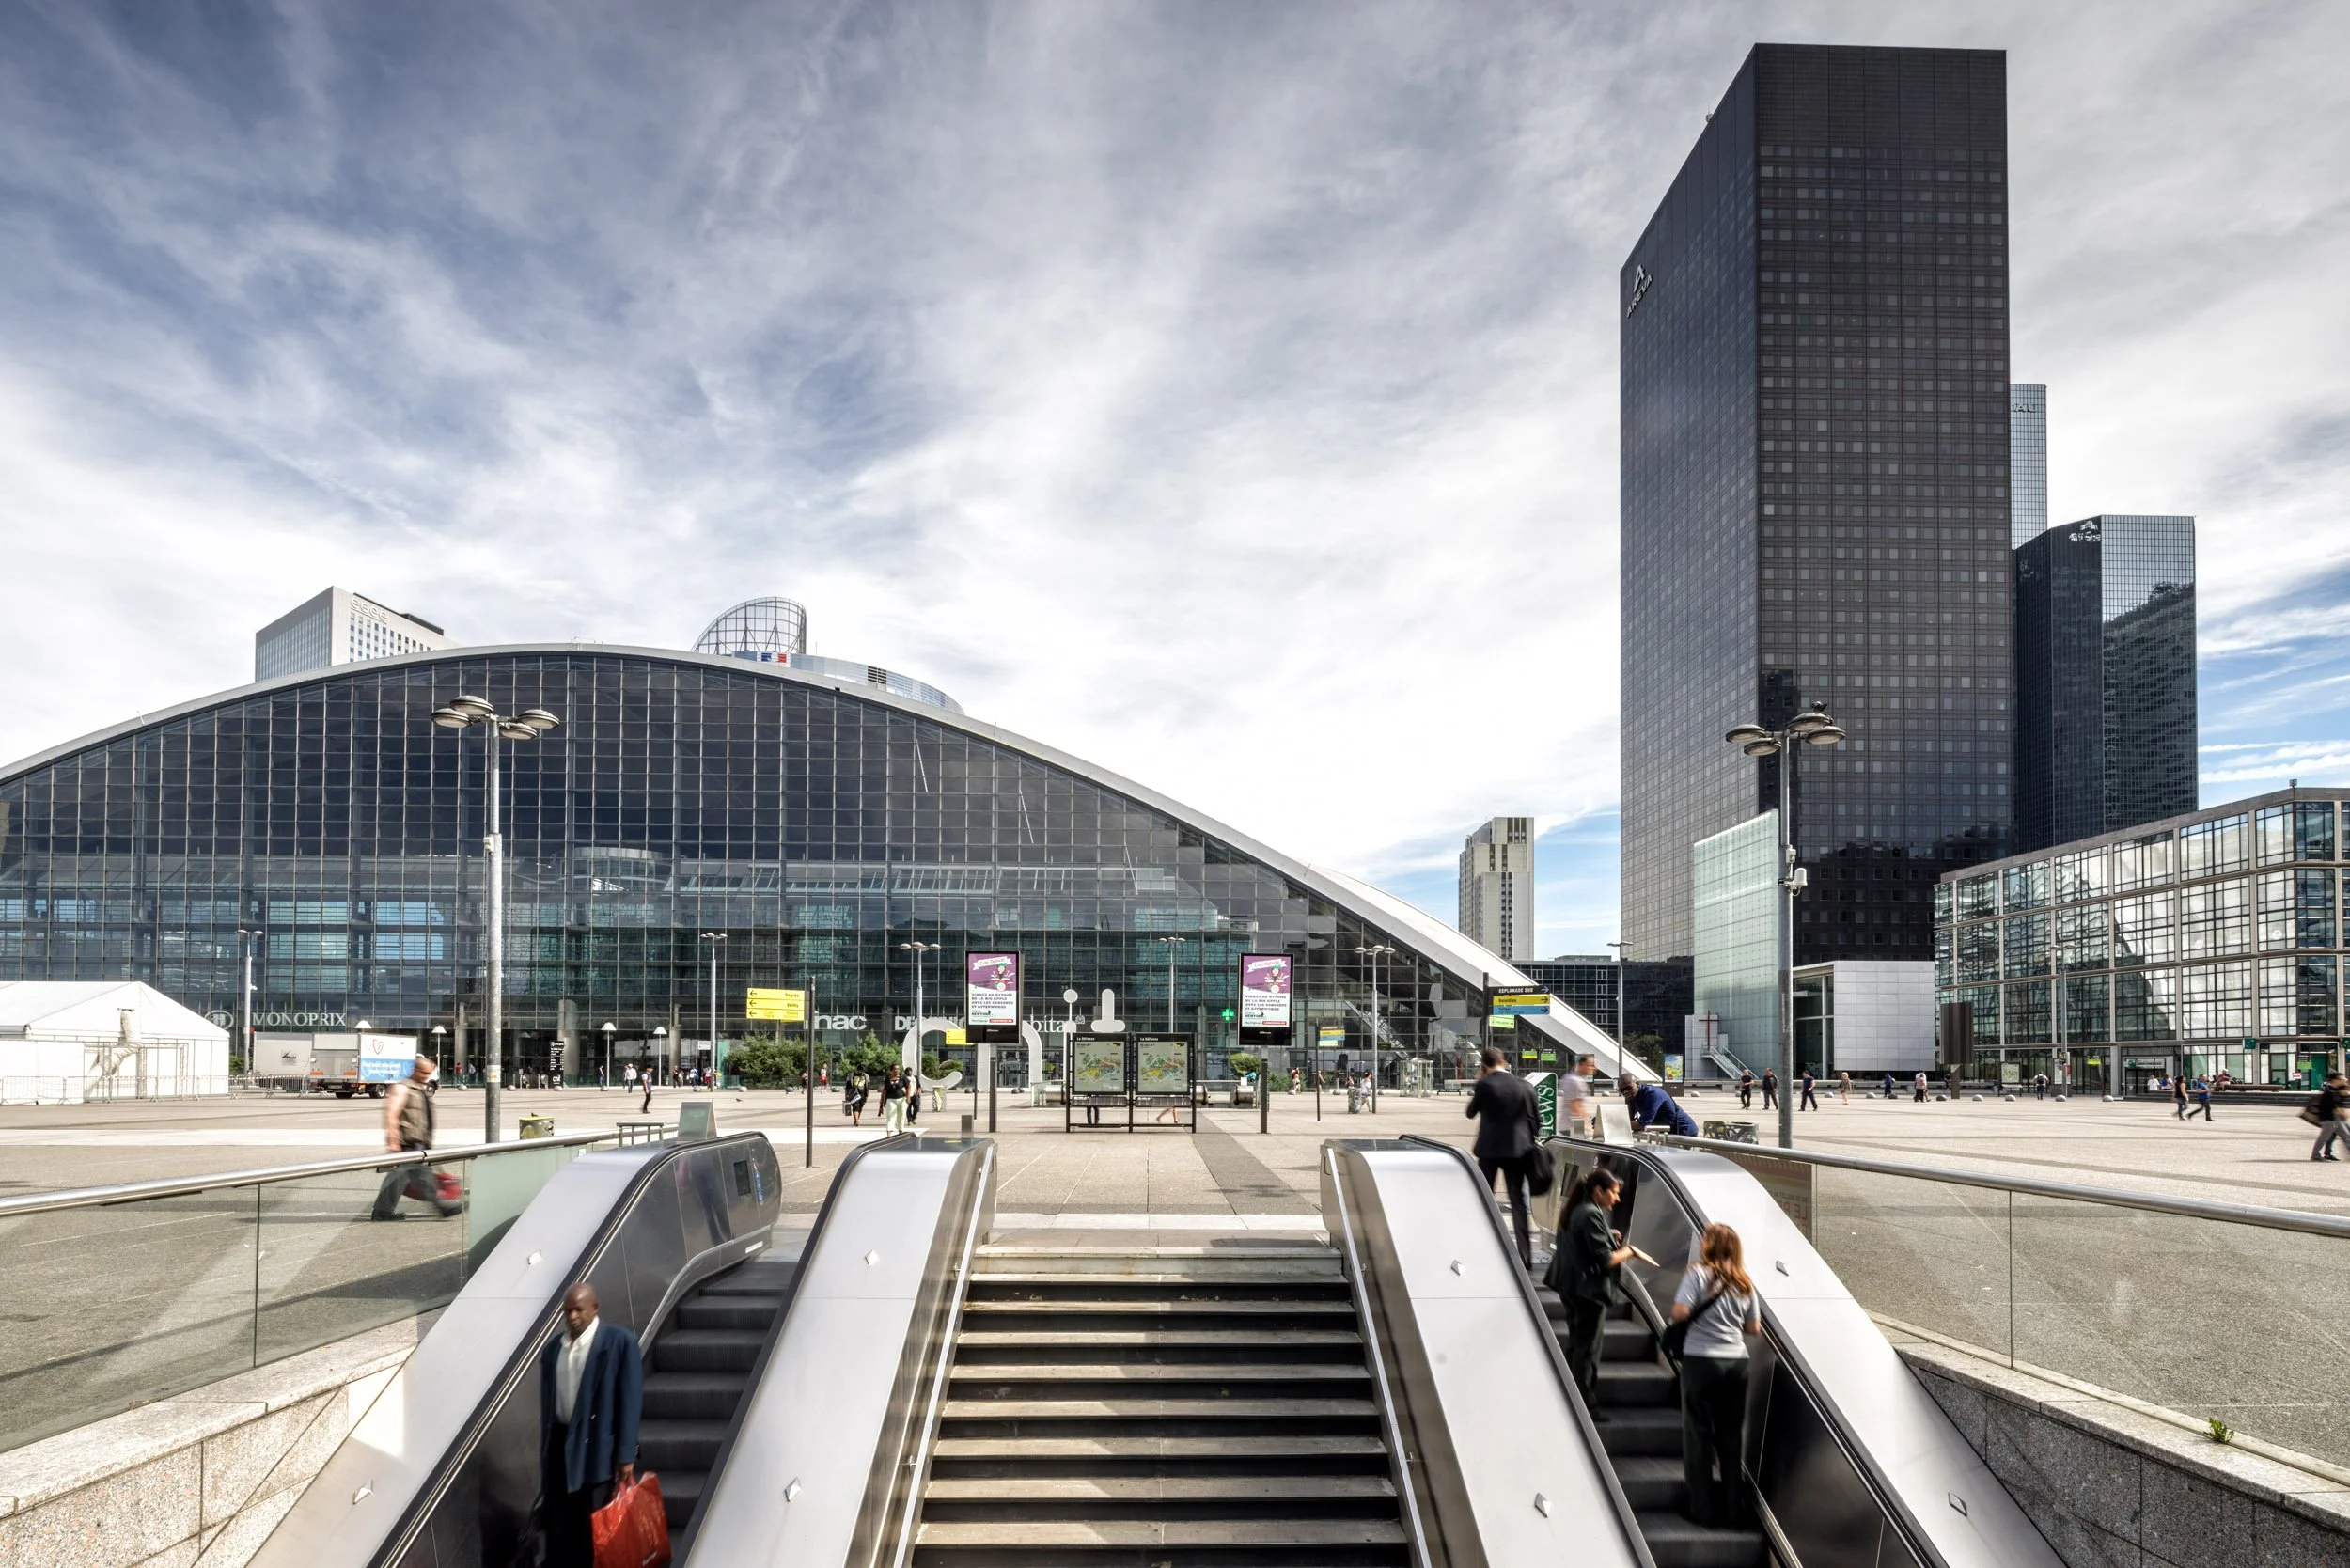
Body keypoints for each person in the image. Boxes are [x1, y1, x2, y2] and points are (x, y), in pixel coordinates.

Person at [538, 1282, 643, 1568]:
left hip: (597, 1448)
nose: (572, 1317)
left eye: (578, 1310)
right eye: (567, 1311)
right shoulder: (551, 1351)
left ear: (594, 1309)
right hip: (560, 1446)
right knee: (561, 1529)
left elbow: (630, 1403)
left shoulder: (620, 1343)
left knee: (594, 1527)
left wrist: (626, 1456)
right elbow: (547, 1409)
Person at [1670, 1223, 1762, 1529]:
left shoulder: (1698, 1273)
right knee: (1730, 1435)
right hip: (1737, 1364)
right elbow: (1753, 1329)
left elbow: (1680, 1313)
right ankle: (1733, 1509)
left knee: (1697, 1434)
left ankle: (1702, 1509)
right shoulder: (1746, 1282)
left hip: (1701, 1360)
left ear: (1709, 1245)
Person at [1556, 1168, 1634, 1404]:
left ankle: (1569, 1397)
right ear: (1599, 1191)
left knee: (1577, 1343)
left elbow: (1583, 1239)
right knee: (1588, 1349)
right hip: (1587, 1291)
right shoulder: (1591, 1213)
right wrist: (1629, 1252)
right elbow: (1606, 1259)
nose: (1617, 1198)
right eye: (1614, 1193)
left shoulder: (1580, 1209)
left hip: (1572, 1286)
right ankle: (1585, 1402)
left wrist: (1608, 1235)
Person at [1465, 1046, 1542, 1267]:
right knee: (1517, 1201)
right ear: (1504, 1061)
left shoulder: (1485, 1084)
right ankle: (1525, 1256)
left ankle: (1481, 1249)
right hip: (1518, 1151)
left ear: (1485, 1066)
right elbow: (1537, 1120)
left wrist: (1481, 1081)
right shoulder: (1525, 1085)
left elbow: (1470, 1113)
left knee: (1484, 1198)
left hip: (1490, 1150)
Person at [372, 1057, 459, 1220]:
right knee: (420, 1176)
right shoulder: (403, 1088)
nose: (427, 1076)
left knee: (400, 1177)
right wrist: (393, 1140)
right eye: (424, 1073)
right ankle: (440, 1207)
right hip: (407, 1142)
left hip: (419, 1142)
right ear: (415, 1070)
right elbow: (391, 1114)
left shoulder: (420, 1089)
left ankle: (382, 1211)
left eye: (429, 1073)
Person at [1621, 1074, 1700, 1137]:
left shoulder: (1652, 1094)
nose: (1625, 1092)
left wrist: (1617, 1124)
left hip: (1684, 1130)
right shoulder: (1631, 1096)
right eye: (1622, 1090)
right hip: (1667, 1131)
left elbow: (1642, 1124)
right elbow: (1629, 1119)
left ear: (1637, 1084)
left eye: (1628, 1088)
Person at [2310, 1074, 2348, 1162]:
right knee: (2324, 1137)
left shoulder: (2336, 1090)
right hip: (2329, 1119)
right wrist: (2343, 1113)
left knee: (2342, 1136)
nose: (2344, 1080)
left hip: (2335, 1118)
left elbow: (2343, 1097)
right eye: (2341, 1078)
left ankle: (2325, 1154)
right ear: (2335, 1080)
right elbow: (2334, 1106)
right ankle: (2315, 1156)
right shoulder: (2329, 1092)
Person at [1560, 1054, 1595, 1139]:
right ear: (1581, 1065)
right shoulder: (1576, 1081)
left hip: (1569, 1126)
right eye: (1591, 1065)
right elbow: (1577, 1107)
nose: (1594, 1068)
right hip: (1574, 1128)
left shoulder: (1569, 1077)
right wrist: (1589, 1127)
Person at [881, 1064, 909, 1134]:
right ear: (891, 1070)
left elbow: (909, 1087)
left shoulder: (903, 1077)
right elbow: (884, 1090)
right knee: (890, 1116)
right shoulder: (888, 1078)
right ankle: (889, 1134)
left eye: (898, 1069)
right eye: (895, 1069)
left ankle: (900, 1131)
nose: (897, 1070)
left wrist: (908, 1097)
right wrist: (882, 1101)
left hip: (902, 1099)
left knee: (901, 1116)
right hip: (890, 1099)